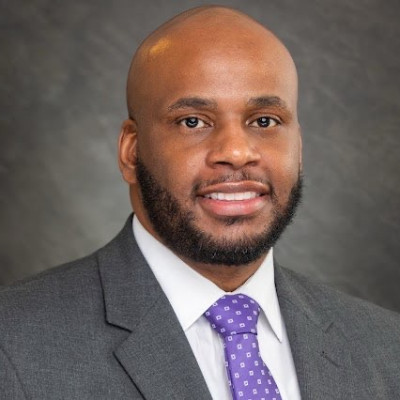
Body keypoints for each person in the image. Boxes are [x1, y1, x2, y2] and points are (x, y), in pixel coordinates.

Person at [0, 6, 399, 400]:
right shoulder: (13, 346)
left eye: (264, 121)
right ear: (131, 152)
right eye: (193, 121)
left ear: (299, 146)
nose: (237, 153)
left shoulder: (386, 348)